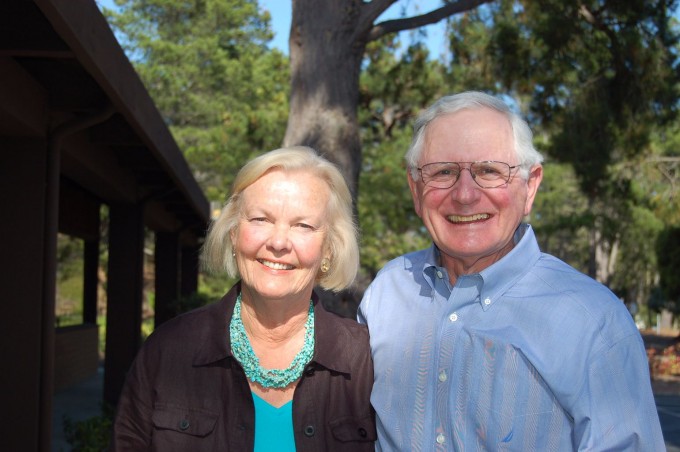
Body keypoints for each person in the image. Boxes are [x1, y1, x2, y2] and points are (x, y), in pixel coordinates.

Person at [358, 91, 664, 450]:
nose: (465, 195)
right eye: (443, 172)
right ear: (415, 188)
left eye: (489, 171)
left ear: (530, 185)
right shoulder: (386, 294)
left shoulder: (594, 323)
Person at [112, 146, 376, 451]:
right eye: (261, 219)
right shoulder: (168, 350)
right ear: (234, 233)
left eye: (302, 225)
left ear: (329, 247)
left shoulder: (364, 362)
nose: (278, 242)